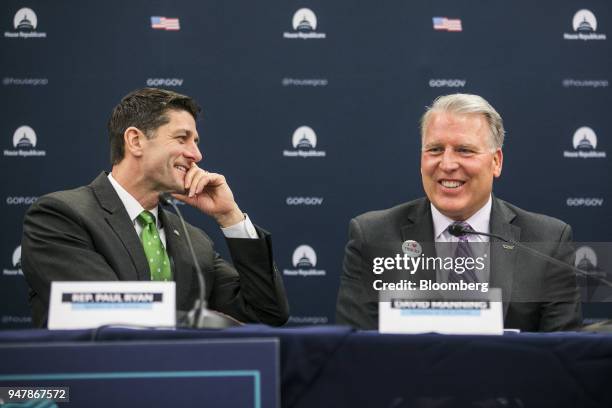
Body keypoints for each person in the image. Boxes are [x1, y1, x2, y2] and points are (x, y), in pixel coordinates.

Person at [22, 88, 289, 327]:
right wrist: (205, 322)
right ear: (135, 141)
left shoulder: (195, 241)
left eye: (196, 142)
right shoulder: (60, 216)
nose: (196, 155)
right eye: (182, 138)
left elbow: (267, 313)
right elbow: (105, 313)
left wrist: (229, 216)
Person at [336, 93, 581, 332]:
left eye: (465, 150)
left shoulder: (548, 241)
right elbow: (354, 353)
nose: (448, 164)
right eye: (435, 150)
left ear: (496, 162)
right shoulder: (372, 236)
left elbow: (561, 357)